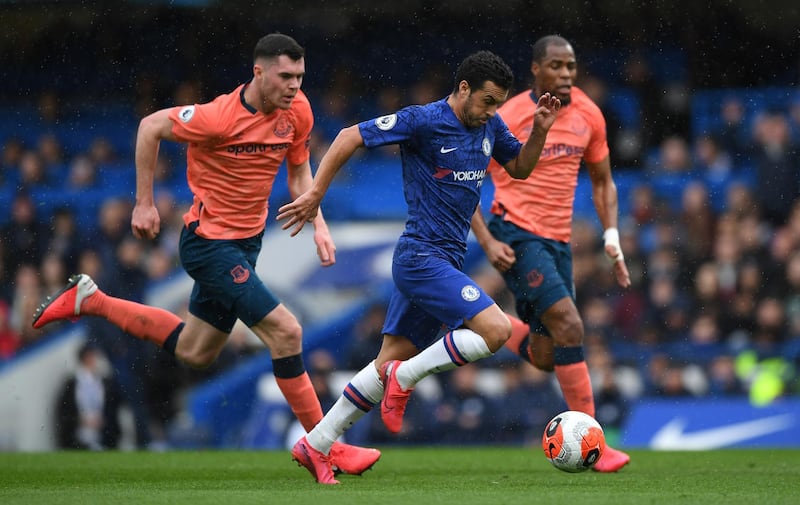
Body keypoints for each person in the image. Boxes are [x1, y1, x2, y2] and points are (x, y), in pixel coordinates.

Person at [31, 33, 379, 473]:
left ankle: (90, 300)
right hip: (208, 244)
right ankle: (324, 445)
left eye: (300, 76)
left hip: (245, 245)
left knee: (197, 351)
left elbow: (298, 174)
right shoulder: (217, 116)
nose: (294, 85)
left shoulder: (299, 113)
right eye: (285, 76)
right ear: (259, 71)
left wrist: (320, 224)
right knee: (287, 331)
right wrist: (144, 201)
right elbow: (149, 127)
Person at [278, 50, 561, 484]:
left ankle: (315, 444)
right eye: (487, 100)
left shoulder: (489, 125)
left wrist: (540, 130)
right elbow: (350, 136)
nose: (492, 111)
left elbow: (520, 167)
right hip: (420, 256)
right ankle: (406, 378)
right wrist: (315, 194)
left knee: (383, 362)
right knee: (496, 331)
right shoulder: (424, 120)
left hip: (444, 259)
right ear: (463, 88)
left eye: (498, 104)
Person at [469, 35, 631, 472]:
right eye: (556, 66)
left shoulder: (589, 115)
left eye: (571, 66)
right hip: (516, 232)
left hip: (558, 241)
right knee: (571, 324)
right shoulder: (510, 114)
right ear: (536, 70)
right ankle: (595, 442)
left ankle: (490, 322)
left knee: (545, 356)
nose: (565, 74)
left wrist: (611, 235)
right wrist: (486, 239)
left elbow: (602, 181)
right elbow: (467, 178)